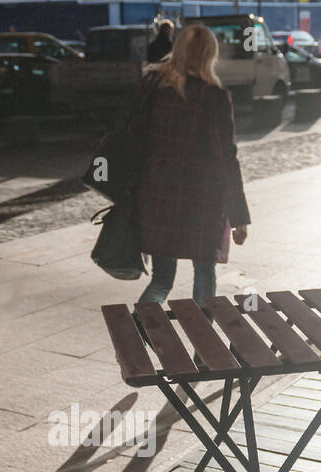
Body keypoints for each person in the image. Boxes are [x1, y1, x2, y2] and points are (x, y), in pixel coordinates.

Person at [135, 23, 249, 307]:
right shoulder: (213, 97)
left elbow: (136, 140)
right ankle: (204, 347)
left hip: (158, 195)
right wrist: (239, 217)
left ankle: (136, 335)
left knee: (161, 280)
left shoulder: (153, 88)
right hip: (202, 200)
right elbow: (226, 159)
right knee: (203, 273)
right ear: (209, 55)